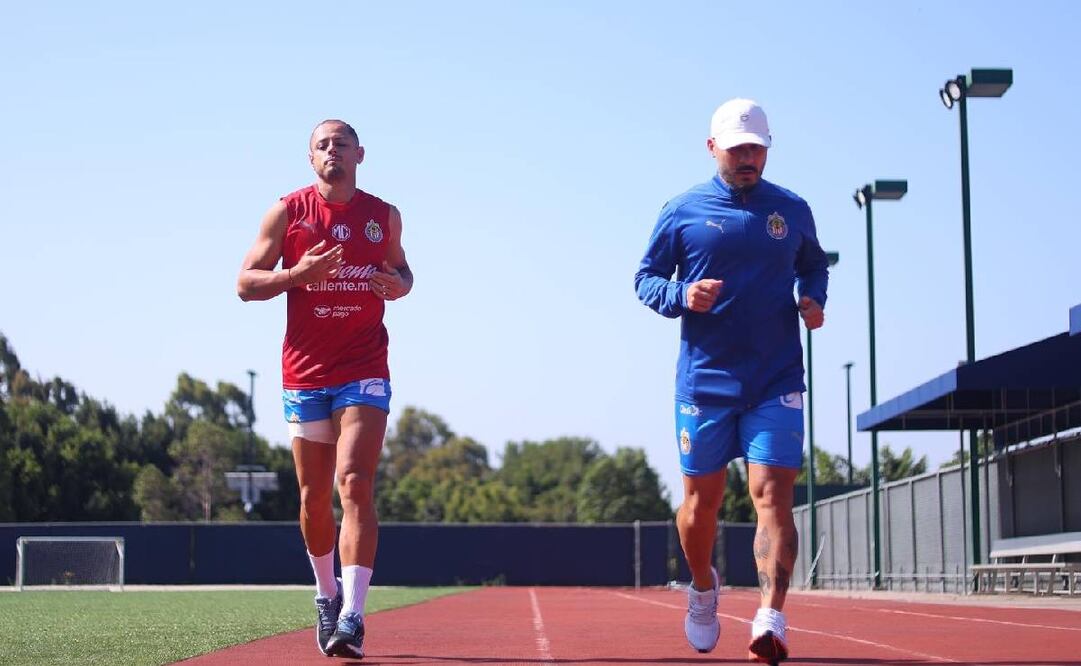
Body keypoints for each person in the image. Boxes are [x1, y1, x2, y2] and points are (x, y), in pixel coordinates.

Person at [634, 98, 828, 663]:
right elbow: (645, 278)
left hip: (775, 378)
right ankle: (702, 588)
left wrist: (813, 297)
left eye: (757, 148)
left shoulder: (790, 209)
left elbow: (813, 263)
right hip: (705, 382)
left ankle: (772, 615)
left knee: (773, 496)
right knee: (701, 503)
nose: (748, 157)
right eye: (738, 146)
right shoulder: (682, 210)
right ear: (712, 146)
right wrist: (680, 295)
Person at [237, 119, 413, 659]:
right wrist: (297, 276)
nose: (331, 151)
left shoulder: (383, 216)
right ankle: (326, 594)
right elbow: (245, 283)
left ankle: (354, 616)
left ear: (360, 154)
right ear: (310, 159)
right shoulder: (287, 212)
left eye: (340, 143)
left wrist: (396, 285)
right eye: (321, 145)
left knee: (354, 483)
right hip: (306, 374)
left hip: (364, 368)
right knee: (314, 499)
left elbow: (404, 274)